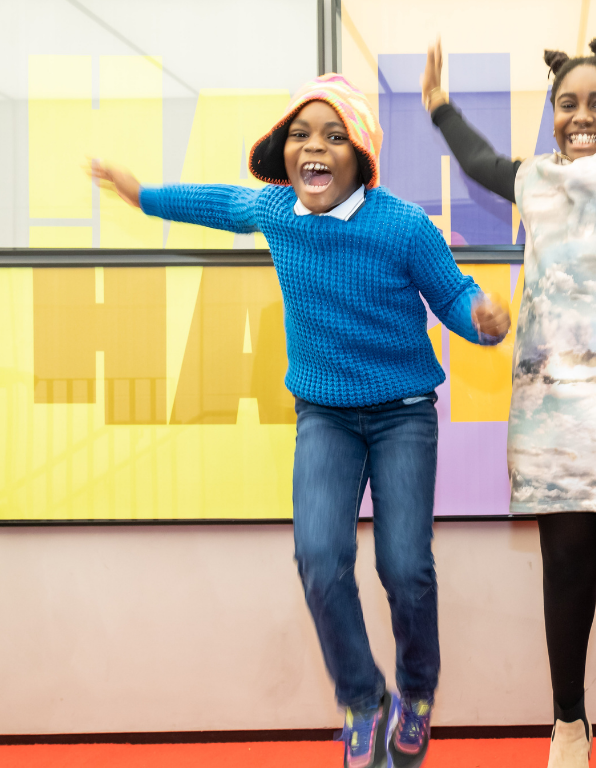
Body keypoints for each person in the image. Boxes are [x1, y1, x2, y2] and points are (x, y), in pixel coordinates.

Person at [90, 73, 511, 768]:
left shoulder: (402, 225)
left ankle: (417, 691)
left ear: (361, 158)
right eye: (299, 135)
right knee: (320, 561)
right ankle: (362, 700)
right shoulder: (279, 211)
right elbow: (215, 202)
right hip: (325, 416)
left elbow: (457, 295)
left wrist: (484, 322)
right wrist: (141, 195)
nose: (314, 147)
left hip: (403, 412)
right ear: (283, 154)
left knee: (404, 567)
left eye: (333, 135)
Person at [420, 3, 596, 767]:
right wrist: (441, 110)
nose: (581, 117)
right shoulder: (537, 181)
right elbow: (483, 164)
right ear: (553, 116)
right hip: (552, 414)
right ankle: (569, 728)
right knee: (566, 572)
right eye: (567, 104)